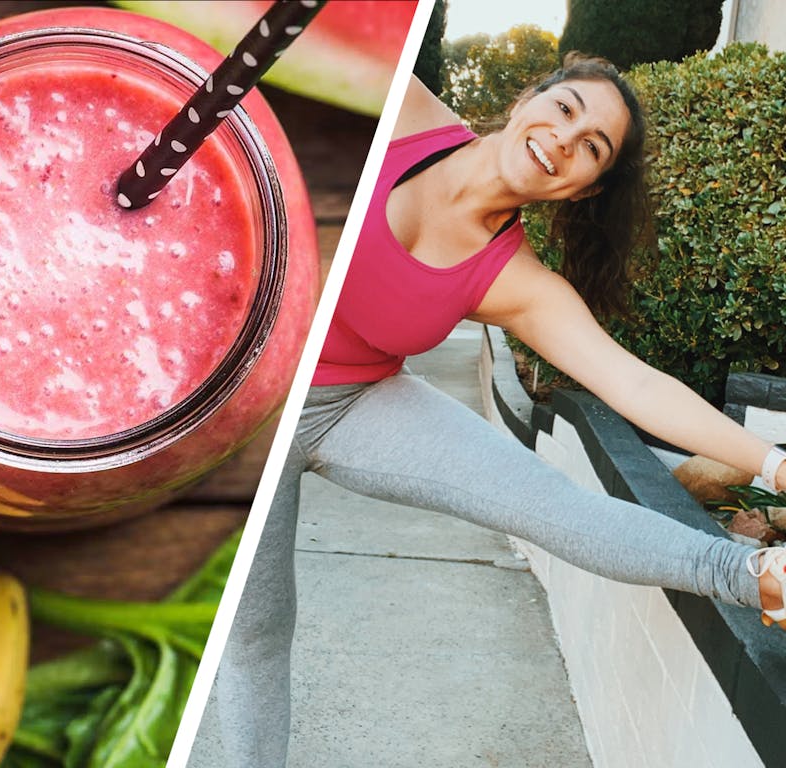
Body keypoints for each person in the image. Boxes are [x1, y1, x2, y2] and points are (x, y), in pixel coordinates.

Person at [208, 54, 786, 766]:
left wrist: (773, 464)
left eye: (592, 147)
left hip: (355, 403)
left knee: (554, 506)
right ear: (526, 101)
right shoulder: (407, 113)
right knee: (255, 628)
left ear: (584, 188)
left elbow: (634, 386)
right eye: (566, 109)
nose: (564, 139)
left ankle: (756, 578)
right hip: (241, 397)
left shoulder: (515, 280)